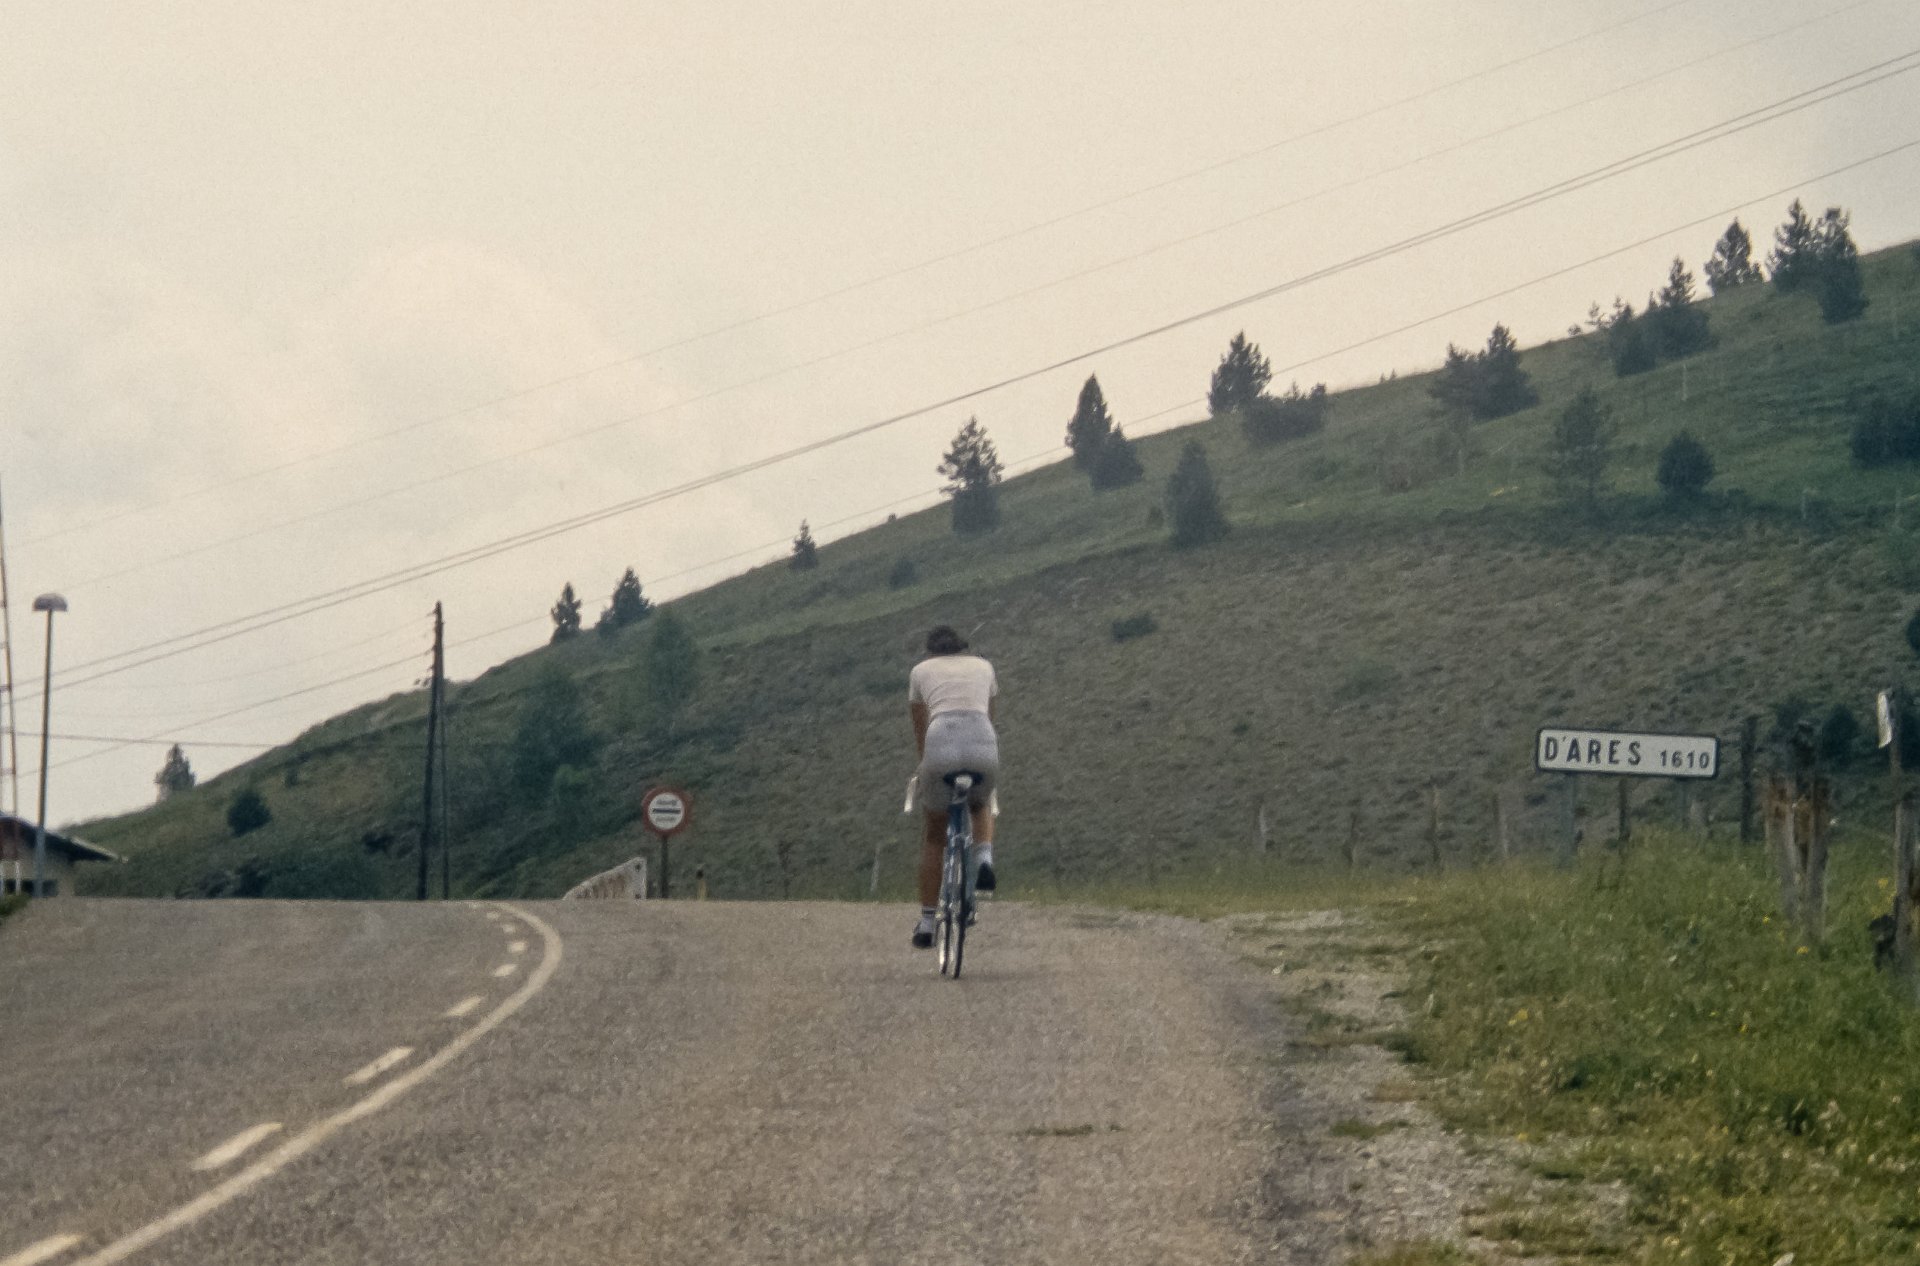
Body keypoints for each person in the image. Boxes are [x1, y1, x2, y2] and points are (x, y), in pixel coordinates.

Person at [907, 624, 998, 948]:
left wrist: (925, 767)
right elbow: (989, 716)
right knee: (981, 802)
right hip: (983, 742)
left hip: (940, 744)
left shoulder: (920, 671)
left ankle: (927, 923)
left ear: (930, 651)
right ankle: (984, 858)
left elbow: (920, 727)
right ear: (962, 647)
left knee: (935, 835)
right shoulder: (984, 666)